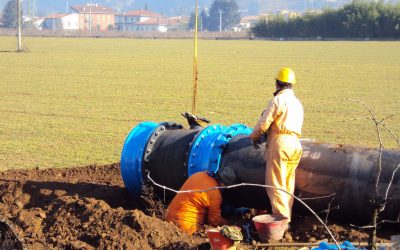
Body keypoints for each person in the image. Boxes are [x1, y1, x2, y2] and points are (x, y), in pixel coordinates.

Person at [249, 67, 304, 227]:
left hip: (280, 143)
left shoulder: (278, 100)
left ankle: (281, 221)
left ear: (277, 83)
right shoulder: (297, 103)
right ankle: (287, 218)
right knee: (288, 184)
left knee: (275, 184)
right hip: (295, 144)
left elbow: (264, 123)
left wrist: (253, 137)